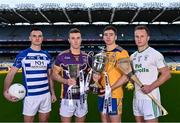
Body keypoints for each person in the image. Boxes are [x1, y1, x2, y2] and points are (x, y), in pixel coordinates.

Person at [3, 27, 57, 122]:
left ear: (42, 38)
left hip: (46, 95)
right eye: (34, 36)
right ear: (30, 38)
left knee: (44, 121)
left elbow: (49, 76)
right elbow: (11, 74)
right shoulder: (22, 55)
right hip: (30, 96)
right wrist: (5, 91)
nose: (37, 38)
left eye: (39, 36)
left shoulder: (47, 55)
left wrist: (52, 93)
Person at [131, 25, 171, 122]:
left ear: (148, 38)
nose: (139, 39)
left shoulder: (155, 54)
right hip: (137, 98)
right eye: (137, 36)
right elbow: (133, 76)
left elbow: (167, 74)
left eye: (142, 36)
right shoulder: (132, 57)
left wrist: (151, 87)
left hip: (150, 98)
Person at [52, 28, 90, 122]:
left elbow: (91, 76)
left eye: (78, 38)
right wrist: (66, 81)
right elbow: (54, 75)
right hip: (66, 97)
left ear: (81, 39)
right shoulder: (62, 56)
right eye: (73, 38)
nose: (76, 40)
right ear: (69, 40)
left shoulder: (87, 57)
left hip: (82, 98)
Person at [94, 25, 129, 122]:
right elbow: (98, 73)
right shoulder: (101, 54)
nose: (108, 37)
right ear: (103, 37)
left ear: (116, 37)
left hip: (114, 94)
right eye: (106, 35)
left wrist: (110, 88)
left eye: (111, 35)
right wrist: (95, 78)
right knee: (104, 119)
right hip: (101, 93)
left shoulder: (122, 52)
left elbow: (126, 76)